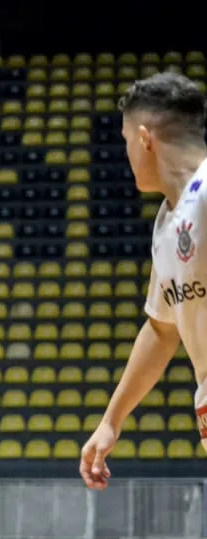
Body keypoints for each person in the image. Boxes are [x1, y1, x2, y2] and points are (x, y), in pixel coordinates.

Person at [82, 72, 207, 489]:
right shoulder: (167, 222)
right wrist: (110, 422)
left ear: (144, 138)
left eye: (125, 142)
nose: (127, 153)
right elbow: (161, 328)